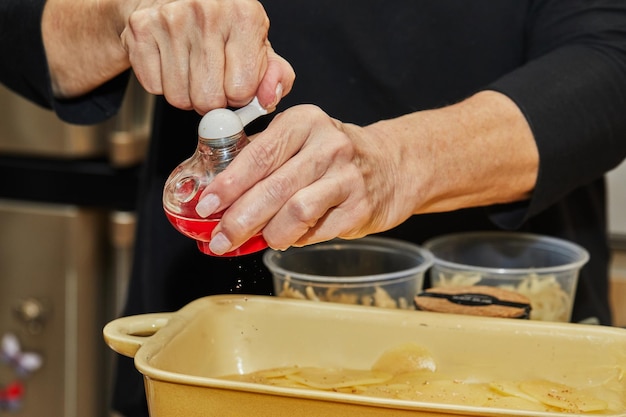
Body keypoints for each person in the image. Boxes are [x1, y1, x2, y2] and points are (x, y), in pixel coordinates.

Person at [2, 1, 626, 416]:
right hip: (212, 358)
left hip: (511, 342)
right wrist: (129, 9)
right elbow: (21, 32)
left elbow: (611, 60)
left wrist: (397, 163)